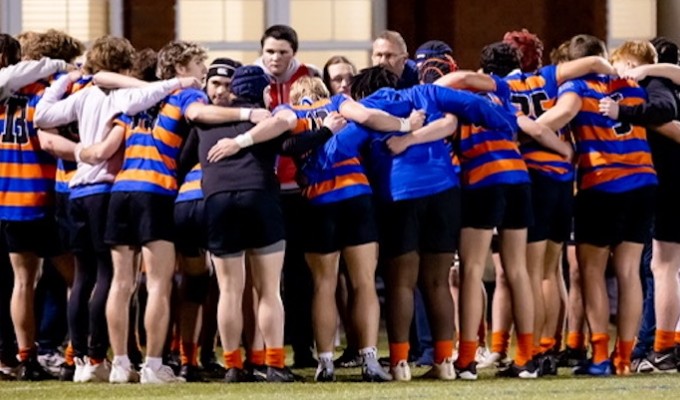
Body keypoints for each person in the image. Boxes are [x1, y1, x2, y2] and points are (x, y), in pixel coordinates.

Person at [536, 35, 658, 376]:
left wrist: (517, 126)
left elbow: (559, 117)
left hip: (602, 183)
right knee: (629, 272)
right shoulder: (632, 84)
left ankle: (601, 357)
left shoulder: (577, 88)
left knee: (591, 273)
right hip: (643, 182)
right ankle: (625, 359)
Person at [0, 29, 81, 381]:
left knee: (23, 282)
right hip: (45, 197)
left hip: (7, 201)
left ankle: (26, 357)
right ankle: (73, 354)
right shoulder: (45, 96)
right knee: (78, 278)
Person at [598, 40, 679, 373]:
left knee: (662, 267)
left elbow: (664, 114)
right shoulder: (664, 79)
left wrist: (625, 111)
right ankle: (660, 347)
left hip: (667, 183)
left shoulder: (653, 85)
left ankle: (661, 349)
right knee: (662, 268)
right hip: (664, 182)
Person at [254, 25, 317, 367]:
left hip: (299, 191)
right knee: (264, 277)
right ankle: (261, 352)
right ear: (261, 51)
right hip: (264, 191)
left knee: (298, 273)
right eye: (270, 52)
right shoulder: (251, 79)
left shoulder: (309, 79)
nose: (275, 58)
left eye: (283, 52)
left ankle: (303, 347)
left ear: (294, 53)